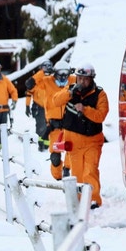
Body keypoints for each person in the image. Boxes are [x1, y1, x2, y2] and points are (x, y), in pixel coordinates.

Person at [51, 63, 108, 208]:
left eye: (85, 79)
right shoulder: (70, 89)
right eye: (80, 78)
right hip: (73, 140)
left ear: (91, 79)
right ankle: (79, 200)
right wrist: (69, 93)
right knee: (77, 172)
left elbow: (101, 115)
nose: (82, 82)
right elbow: (55, 100)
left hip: (92, 141)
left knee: (90, 170)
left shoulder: (99, 94)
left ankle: (93, 199)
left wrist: (85, 109)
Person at [44, 64, 75, 180]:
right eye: (59, 75)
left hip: (70, 124)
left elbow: (86, 80)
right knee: (55, 156)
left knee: (71, 148)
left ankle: (67, 169)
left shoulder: (73, 80)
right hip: (54, 126)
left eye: (65, 75)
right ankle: (57, 176)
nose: (62, 78)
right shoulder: (47, 82)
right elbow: (36, 80)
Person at [24, 60, 54, 151]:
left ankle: (48, 145)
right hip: (39, 107)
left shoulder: (54, 79)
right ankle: (41, 145)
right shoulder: (36, 80)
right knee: (41, 127)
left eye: (49, 67)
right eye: (45, 67)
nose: (47, 69)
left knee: (51, 127)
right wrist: (27, 106)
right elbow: (29, 91)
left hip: (51, 107)